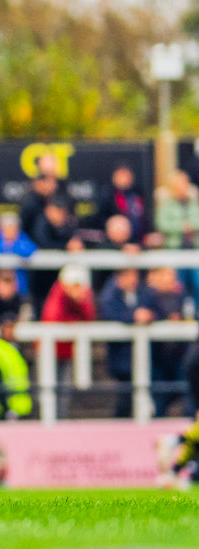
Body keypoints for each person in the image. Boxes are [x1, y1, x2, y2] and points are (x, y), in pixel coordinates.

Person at [39, 263, 97, 418]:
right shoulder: (58, 294)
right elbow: (53, 318)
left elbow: (89, 317)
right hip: (50, 350)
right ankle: (50, 419)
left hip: (67, 350)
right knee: (49, 388)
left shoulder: (81, 297)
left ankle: (61, 419)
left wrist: (81, 301)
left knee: (64, 390)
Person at [97, 267, 154, 418]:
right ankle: (121, 423)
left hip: (142, 354)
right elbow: (108, 314)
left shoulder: (143, 292)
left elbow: (154, 308)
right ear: (120, 277)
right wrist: (133, 316)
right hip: (120, 354)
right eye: (130, 276)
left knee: (142, 392)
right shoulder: (110, 294)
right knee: (125, 395)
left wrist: (149, 316)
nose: (134, 279)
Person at [146, 266, 189, 417]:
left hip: (178, 354)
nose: (171, 280)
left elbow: (188, 314)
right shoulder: (149, 296)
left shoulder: (180, 295)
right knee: (159, 394)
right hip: (157, 355)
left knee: (181, 389)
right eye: (167, 276)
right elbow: (147, 315)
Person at [154, 168, 199, 303]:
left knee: (197, 283)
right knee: (178, 286)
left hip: (194, 250)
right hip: (174, 249)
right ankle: (180, 314)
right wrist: (181, 227)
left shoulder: (193, 202)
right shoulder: (166, 203)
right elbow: (162, 223)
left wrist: (191, 226)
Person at [92, 164, 147, 241]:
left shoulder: (138, 194)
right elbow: (101, 219)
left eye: (127, 176)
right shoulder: (107, 196)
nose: (124, 179)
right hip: (114, 242)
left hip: (138, 240)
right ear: (114, 178)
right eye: (121, 176)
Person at [0, 212, 38, 297]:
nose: (11, 230)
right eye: (8, 227)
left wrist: (14, 243)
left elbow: (30, 250)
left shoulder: (22, 238)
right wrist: (8, 243)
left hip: (20, 287)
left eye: (14, 228)